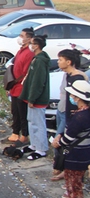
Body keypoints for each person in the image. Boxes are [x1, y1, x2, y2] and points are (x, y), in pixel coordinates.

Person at [51, 49, 88, 182]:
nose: (58, 62)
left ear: (68, 62)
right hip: (63, 111)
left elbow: (75, 102)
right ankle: (66, 170)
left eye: (60, 60)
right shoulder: (68, 75)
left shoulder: (77, 77)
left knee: (64, 142)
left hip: (71, 115)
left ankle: (69, 172)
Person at [51, 80, 90, 198]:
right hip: (84, 154)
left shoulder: (79, 117)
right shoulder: (86, 113)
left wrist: (58, 141)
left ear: (78, 98)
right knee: (75, 185)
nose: (71, 97)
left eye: (73, 95)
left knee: (73, 186)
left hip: (75, 156)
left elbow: (68, 138)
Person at [18, 35, 50, 160]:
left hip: (37, 99)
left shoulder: (40, 61)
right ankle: (34, 144)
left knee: (38, 124)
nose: (30, 45)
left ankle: (41, 149)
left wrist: (32, 98)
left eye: (31, 43)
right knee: (31, 122)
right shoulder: (36, 59)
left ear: (36, 45)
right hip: (31, 97)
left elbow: (38, 82)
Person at [2, 28, 34, 146]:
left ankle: (24, 136)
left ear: (29, 39)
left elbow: (25, 73)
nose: (20, 38)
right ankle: (15, 133)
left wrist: (14, 82)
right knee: (15, 112)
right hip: (14, 88)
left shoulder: (29, 54)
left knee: (22, 113)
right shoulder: (21, 51)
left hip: (21, 88)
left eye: (22, 35)